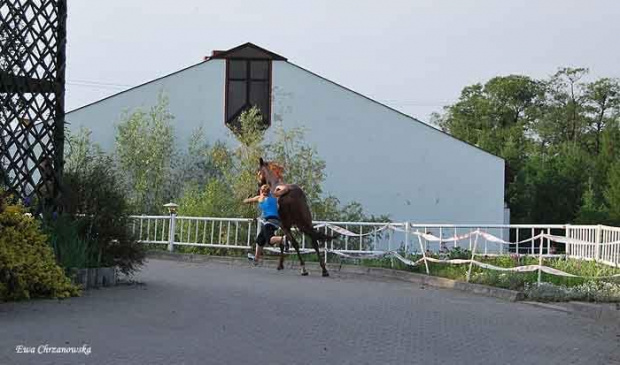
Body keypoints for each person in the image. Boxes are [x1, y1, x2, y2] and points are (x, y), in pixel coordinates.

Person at [243, 184, 287, 264]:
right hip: (277, 221)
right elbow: (284, 191)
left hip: (269, 221)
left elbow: (247, 200)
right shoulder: (274, 196)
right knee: (260, 239)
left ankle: (283, 239)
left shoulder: (260, 198)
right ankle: (256, 259)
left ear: (261, 191)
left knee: (270, 240)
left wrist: (246, 199)